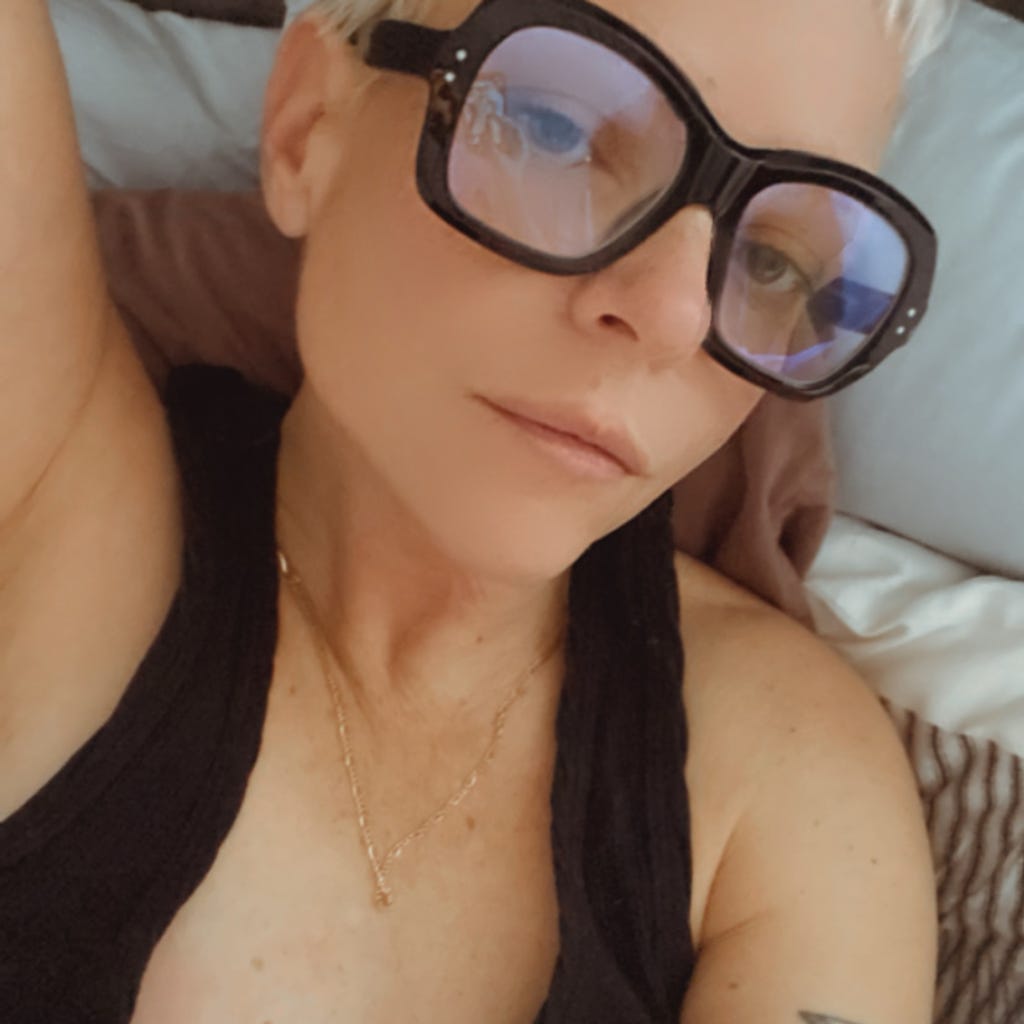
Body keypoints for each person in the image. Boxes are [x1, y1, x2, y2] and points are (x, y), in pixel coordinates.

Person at [0, 0, 953, 1021]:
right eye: (556, 130)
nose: (672, 314)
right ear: (306, 130)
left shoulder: (785, 777)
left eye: (772, 261)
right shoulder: (50, 507)